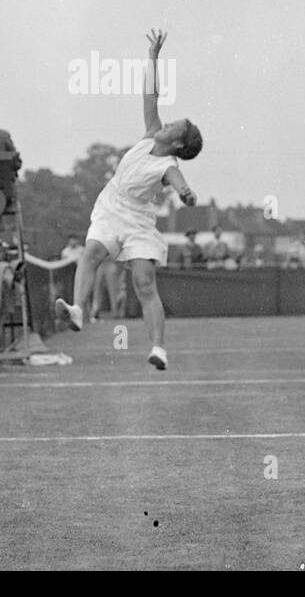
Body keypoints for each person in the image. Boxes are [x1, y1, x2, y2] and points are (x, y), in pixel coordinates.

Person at [56, 29, 202, 370]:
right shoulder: (152, 131)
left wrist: (187, 194)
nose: (166, 124)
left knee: (143, 283)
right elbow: (150, 95)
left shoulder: (169, 165)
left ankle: (159, 349)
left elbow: (181, 186)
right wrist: (153, 57)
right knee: (91, 253)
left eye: (174, 127)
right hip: (110, 207)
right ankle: (78, 310)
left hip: (137, 221)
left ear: (178, 144)